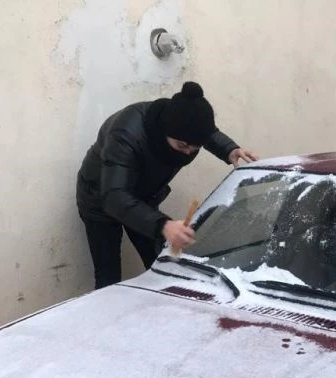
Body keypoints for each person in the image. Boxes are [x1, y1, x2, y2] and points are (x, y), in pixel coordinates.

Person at [76, 81, 258, 289]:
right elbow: (114, 197)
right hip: (101, 198)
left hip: (142, 199)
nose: (189, 151)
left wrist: (229, 149)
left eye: (195, 147)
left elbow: (206, 133)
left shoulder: (186, 126)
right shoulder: (126, 133)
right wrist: (163, 225)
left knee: (162, 265)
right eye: (183, 145)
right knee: (108, 274)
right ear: (165, 131)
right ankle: (106, 316)